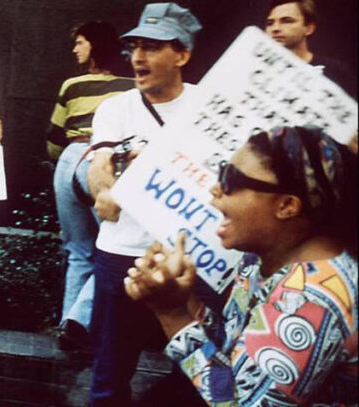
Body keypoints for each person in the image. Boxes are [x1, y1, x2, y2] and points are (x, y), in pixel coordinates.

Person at [125, 126, 358, 406]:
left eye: (232, 179)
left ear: (287, 205)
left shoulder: (312, 301)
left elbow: (236, 401)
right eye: (223, 170)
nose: (215, 187)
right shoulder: (262, 258)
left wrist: (172, 314)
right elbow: (232, 352)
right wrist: (182, 298)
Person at [84, 3, 204, 405]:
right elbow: (100, 167)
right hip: (123, 258)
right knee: (109, 375)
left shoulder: (208, 107)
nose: (138, 57)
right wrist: (107, 187)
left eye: (152, 46)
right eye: (135, 46)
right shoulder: (116, 108)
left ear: (182, 55)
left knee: (194, 372)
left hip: (194, 261)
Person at [46, 21, 133, 350]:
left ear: (96, 46)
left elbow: (53, 138)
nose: (75, 49)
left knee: (78, 251)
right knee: (117, 247)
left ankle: (69, 324)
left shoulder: (71, 85)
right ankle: (79, 320)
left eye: (80, 42)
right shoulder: (131, 88)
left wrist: (61, 157)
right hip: (104, 162)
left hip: (68, 160)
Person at [265, 0, 356, 98]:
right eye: (270, 23)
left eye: (287, 21)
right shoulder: (257, 68)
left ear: (309, 28)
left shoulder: (336, 71)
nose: (275, 28)